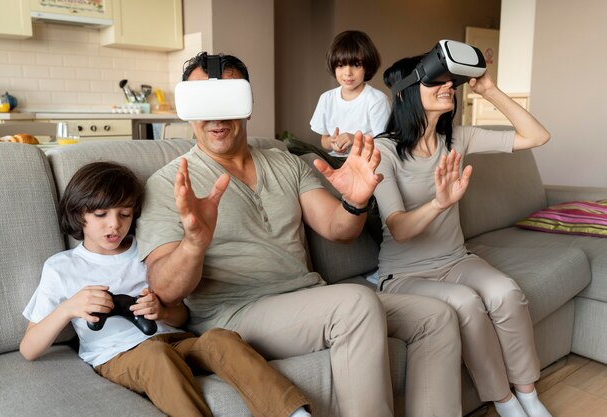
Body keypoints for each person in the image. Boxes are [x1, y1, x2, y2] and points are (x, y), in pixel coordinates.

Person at [136, 51, 462, 417]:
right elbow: (163, 289)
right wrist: (194, 243)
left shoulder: (285, 162)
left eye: (228, 97)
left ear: (247, 103)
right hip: (233, 314)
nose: (216, 115)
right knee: (355, 303)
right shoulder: (168, 183)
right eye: (203, 102)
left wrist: (355, 202)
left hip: (306, 298)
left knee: (437, 317)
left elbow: (338, 231)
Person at [20, 161, 311, 417]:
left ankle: (294, 413)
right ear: (78, 214)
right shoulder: (62, 267)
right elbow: (29, 349)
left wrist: (162, 310)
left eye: (124, 214)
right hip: (121, 355)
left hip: (175, 339)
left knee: (221, 339)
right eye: (101, 215)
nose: (115, 225)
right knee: (157, 358)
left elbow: (182, 316)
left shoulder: (145, 251)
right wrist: (68, 307)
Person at [373, 55, 552, 417]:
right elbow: (399, 228)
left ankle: (529, 396)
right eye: (436, 81)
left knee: (506, 292)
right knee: (467, 303)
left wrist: (489, 90)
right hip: (404, 274)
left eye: (449, 82)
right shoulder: (383, 150)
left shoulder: (456, 139)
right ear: (406, 92)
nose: (448, 87)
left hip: (456, 259)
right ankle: (503, 402)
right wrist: (440, 203)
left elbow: (537, 136)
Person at [310, 30, 390, 158]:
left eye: (356, 65)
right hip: (335, 160)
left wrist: (356, 140)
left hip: (366, 162)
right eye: (341, 65)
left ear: (367, 66)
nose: (347, 73)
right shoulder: (326, 98)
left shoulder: (377, 100)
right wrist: (331, 143)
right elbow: (324, 140)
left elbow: (386, 144)